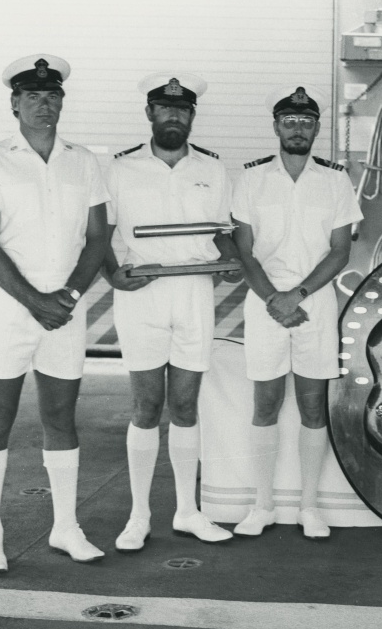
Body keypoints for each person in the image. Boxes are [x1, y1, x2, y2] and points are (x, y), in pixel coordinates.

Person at [0, 54, 109, 572]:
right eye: (33, 96)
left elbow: (97, 238)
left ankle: (65, 527)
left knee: (60, 419)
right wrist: (36, 301)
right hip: (10, 310)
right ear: (14, 104)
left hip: (65, 313)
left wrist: (69, 297)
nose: (44, 105)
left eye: (52, 97)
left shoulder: (83, 160)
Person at [103, 72, 242, 552]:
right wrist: (110, 274)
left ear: (191, 117)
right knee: (145, 407)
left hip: (194, 295)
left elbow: (222, 232)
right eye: (165, 109)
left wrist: (231, 262)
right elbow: (99, 233)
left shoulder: (214, 169)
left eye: (182, 110)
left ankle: (187, 511)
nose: (174, 117)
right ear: (149, 114)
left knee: (185, 405)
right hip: (141, 294)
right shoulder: (119, 169)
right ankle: (138, 514)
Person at [231, 85, 362, 539]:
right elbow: (244, 251)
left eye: (307, 122)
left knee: (312, 406)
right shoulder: (251, 179)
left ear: (317, 129)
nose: (298, 128)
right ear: (276, 127)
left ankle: (309, 506)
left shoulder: (335, 180)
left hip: (316, 304)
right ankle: (262, 504)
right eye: (290, 121)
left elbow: (341, 250)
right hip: (265, 302)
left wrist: (298, 294)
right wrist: (275, 298)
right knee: (265, 404)